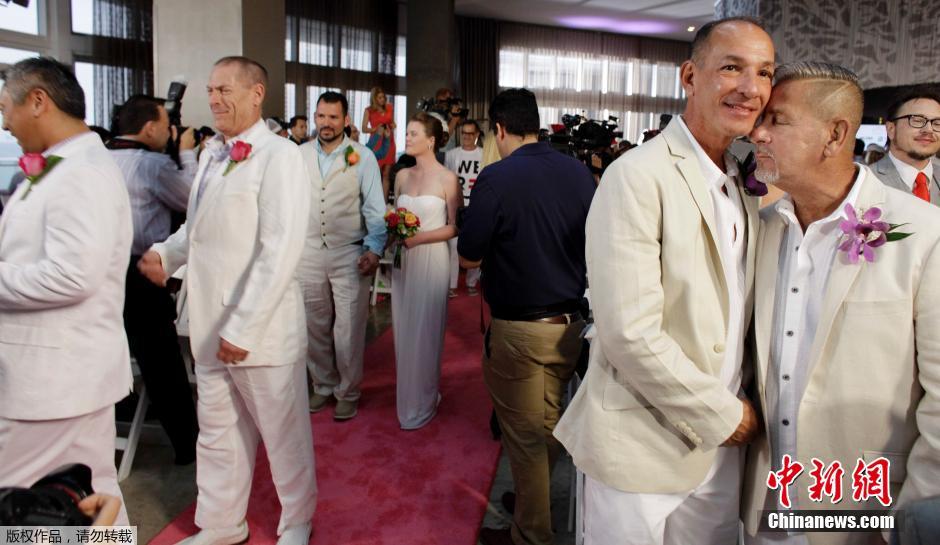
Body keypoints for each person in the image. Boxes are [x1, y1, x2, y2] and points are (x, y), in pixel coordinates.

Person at [554, 17, 774, 545]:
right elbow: (629, 332)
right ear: (689, 76)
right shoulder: (637, 174)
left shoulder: (744, 179)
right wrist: (722, 415)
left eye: (765, 73)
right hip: (642, 436)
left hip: (720, 448)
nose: (751, 88)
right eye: (732, 68)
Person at [742, 62, 940, 545]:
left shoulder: (924, 234)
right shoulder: (762, 230)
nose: (757, 134)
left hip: (865, 507)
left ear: (835, 135)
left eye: (776, 120)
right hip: (766, 502)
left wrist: (907, 521)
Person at [138, 56, 316, 545]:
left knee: (283, 436)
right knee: (217, 433)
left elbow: (280, 248)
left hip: (259, 329)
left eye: (225, 90)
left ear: (257, 93)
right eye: (211, 90)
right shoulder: (214, 154)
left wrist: (244, 327)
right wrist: (166, 253)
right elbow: (198, 228)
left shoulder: (280, 156)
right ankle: (221, 525)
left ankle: (297, 521)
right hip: (208, 323)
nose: (214, 99)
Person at [459, 88, 596, 545]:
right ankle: (530, 503)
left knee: (528, 440)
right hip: (572, 325)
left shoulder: (497, 177)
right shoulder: (578, 172)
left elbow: (469, 255)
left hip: (522, 332)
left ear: (499, 130)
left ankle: (530, 534)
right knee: (546, 427)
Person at [0, 57, 133, 524]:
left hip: (54, 380)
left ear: (38, 101)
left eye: (5, 108)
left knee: (23, 511)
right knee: (89, 503)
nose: (5, 123)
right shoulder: (67, 165)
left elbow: (74, 274)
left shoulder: (82, 172)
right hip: (64, 376)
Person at [108, 94, 200, 466]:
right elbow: (196, 200)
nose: (169, 131)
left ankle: (124, 411)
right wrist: (187, 154)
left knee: (118, 351)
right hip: (142, 272)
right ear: (149, 129)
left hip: (104, 271)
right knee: (162, 364)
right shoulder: (152, 165)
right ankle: (187, 444)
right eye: (165, 125)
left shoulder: (101, 157)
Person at [300, 91, 386, 421]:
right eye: (321, 116)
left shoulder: (362, 156)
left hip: (349, 251)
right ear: (315, 117)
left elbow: (374, 208)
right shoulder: (299, 154)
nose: (326, 123)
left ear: (346, 119)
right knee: (314, 325)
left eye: (333, 117)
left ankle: (348, 391)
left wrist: (374, 248)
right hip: (308, 252)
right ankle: (322, 384)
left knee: (348, 328)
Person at [391, 112, 460, 430]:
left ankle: (425, 398)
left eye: (413, 133)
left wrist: (419, 238)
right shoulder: (402, 176)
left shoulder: (448, 179)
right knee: (404, 329)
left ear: (431, 141)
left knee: (426, 331)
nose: (407, 138)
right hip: (404, 261)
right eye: (407, 133)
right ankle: (408, 396)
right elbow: (395, 217)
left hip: (432, 259)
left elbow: (454, 227)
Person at [870, 87, 940, 206]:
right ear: (891, 129)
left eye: (937, 123)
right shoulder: (865, 181)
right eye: (917, 120)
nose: (929, 130)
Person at [444, 119, 483, 297]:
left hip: (476, 203)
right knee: (453, 245)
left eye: (470, 133)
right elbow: (446, 180)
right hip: (456, 203)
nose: (466, 136)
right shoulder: (451, 154)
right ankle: (451, 284)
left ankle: (471, 282)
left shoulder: (483, 154)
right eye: (464, 133)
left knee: (475, 243)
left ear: (476, 135)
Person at [362, 86, 397, 203]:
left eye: (383, 97)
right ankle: (373, 202)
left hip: (389, 141)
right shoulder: (368, 110)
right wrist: (375, 129)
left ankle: (384, 203)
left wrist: (393, 125)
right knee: (375, 174)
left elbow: (393, 123)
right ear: (374, 99)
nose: (382, 99)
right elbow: (364, 128)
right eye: (379, 98)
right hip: (376, 142)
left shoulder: (389, 107)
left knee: (386, 174)